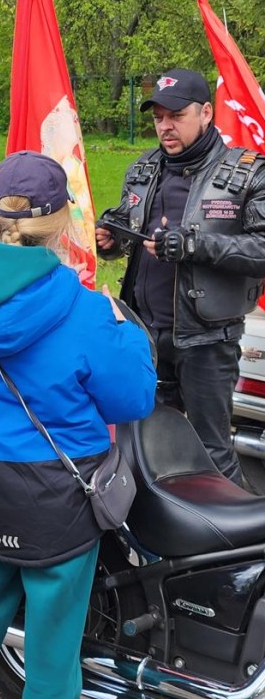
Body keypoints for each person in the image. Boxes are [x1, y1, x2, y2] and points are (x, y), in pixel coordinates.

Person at [0, 151, 156, 699]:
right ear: (59, 224)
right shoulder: (87, 311)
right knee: (53, 658)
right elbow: (134, 399)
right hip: (58, 498)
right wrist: (126, 333)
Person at [96, 68, 265, 484]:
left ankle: (239, 545)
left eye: (176, 115)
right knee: (147, 447)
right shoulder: (143, 169)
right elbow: (127, 222)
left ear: (206, 113)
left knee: (212, 453)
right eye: (158, 117)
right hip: (145, 334)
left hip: (207, 340)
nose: (165, 127)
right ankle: (163, 543)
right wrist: (110, 237)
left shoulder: (246, 173)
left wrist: (194, 246)